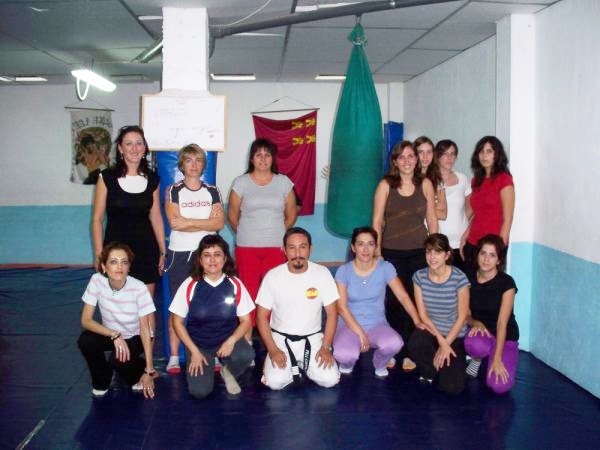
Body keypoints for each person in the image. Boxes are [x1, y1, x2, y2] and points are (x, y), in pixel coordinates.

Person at [372, 140, 438, 372]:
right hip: (391, 253)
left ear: (417, 159)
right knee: (393, 302)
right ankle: (393, 349)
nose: (407, 161)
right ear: (395, 161)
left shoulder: (426, 184)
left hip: (419, 252)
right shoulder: (385, 185)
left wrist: (435, 250)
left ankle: (410, 352)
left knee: (415, 302)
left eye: (411, 156)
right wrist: (377, 252)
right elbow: (377, 221)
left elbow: (432, 219)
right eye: (402, 157)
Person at [228, 138, 297, 342]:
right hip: (246, 247)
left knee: (274, 292)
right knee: (248, 292)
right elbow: (232, 215)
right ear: (252, 158)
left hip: (276, 248)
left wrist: (278, 233)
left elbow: (291, 214)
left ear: (273, 158)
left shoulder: (283, 182)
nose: (263, 159)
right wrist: (246, 232)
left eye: (267, 155)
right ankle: (247, 341)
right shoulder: (241, 182)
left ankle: (274, 340)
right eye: (259, 154)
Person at [169, 235, 255, 399]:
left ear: (225, 258)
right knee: (200, 392)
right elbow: (177, 322)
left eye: (217, 254)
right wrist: (194, 351)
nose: (212, 260)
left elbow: (246, 321)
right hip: (199, 345)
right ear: (200, 260)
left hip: (226, 341)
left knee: (246, 354)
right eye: (207, 255)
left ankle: (227, 371)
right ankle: (204, 364)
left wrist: (231, 341)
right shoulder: (190, 284)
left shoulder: (235, 284)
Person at [333, 226, 426, 378]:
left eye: (370, 244)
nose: (365, 249)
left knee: (395, 343)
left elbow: (403, 296)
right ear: (353, 247)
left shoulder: (385, 268)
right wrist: (360, 333)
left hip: (376, 324)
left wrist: (417, 320)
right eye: (361, 244)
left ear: (376, 247)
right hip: (349, 325)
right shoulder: (344, 271)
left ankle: (380, 363)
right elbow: (341, 307)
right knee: (344, 354)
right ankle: (347, 363)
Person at [163, 144, 224, 374]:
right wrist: (205, 224)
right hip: (179, 254)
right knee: (177, 307)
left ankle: (213, 353)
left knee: (211, 305)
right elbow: (174, 223)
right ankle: (174, 356)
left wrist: (188, 222)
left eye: (198, 160)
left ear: (203, 165)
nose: (194, 165)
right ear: (182, 165)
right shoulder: (174, 190)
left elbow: (219, 223)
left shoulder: (212, 190)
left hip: (207, 254)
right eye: (189, 160)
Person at [256, 227, 340, 390]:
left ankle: (303, 365)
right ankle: (287, 367)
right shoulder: (273, 276)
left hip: (313, 338)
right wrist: (273, 350)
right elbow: (261, 317)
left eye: (302, 247)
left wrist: (326, 347)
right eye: (292, 248)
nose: (297, 253)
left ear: (310, 249)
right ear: (284, 250)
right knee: (275, 383)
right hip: (280, 339)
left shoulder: (322, 273)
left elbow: (332, 313)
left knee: (329, 380)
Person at [92, 125, 167, 305]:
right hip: (115, 253)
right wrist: (99, 254)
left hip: (146, 251)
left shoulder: (153, 179)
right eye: (129, 144)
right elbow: (97, 219)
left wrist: (163, 251)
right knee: (118, 307)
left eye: (139, 143)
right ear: (120, 148)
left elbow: (156, 216)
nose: (134, 148)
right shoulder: (106, 178)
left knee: (145, 307)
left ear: (145, 148)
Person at [77, 242, 156, 398]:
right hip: (112, 335)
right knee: (86, 340)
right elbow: (86, 320)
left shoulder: (139, 288)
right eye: (113, 262)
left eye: (124, 262)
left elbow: (145, 329)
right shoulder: (96, 281)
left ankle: (139, 368)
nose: (119, 267)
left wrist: (149, 370)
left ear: (129, 267)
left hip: (136, 336)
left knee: (118, 361)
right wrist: (114, 334)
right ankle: (102, 379)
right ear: (104, 266)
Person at [408, 234, 470, 395]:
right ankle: (429, 369)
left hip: (454, 334)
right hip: (432, 331)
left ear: (447, 254)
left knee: (452, 387)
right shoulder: (419, 276)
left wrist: (446, 343)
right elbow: (423, 315)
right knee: (416, 342)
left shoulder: (459, 277)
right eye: (428, 252)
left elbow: (462, 316)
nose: (432, 257)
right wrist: (441, 342)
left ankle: (445, 364)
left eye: (437, 252)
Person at [464, 234, 519, 394]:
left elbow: (502, 323)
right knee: (475, 345)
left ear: (499, 260)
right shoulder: (467, 278)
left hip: (505, 336)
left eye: (492, 255)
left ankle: (495, 355)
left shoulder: (507, 283)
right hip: (482, 334)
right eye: (483, 253)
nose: (486, 259)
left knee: (499, 386)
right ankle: (477, 358)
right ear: (477, 255)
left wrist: (497, 359)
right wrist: (474, 322)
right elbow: (465, 313)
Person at [461, 136, 515, 269]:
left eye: (489, 151)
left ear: (497, 154)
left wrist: (499, 249)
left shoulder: (504, 180)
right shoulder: (476, 181)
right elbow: (479, 214)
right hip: (473, 242)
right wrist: (465, 236)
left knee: (490, 282)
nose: (484, 155)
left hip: (492, 248)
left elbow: (508, 219)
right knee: (469, 281)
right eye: (481, 151)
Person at [435, 139, 472, 272]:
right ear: (437, 156)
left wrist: (462, 223)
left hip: (461, 243)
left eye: (452, 154)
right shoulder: (429, 180)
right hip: (438, 243)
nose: (449, 158)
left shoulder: (462, 178)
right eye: (445, 154)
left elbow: (470, 206)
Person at [415, 136, 447, 220]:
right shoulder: (408, 178)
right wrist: (433, 207)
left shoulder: (438, 179)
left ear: (433, 154)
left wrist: (419, 208)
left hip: (433, 226)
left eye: (429, 152)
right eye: (420, 152)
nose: (425, 156)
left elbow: (443, 215)